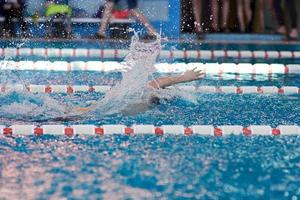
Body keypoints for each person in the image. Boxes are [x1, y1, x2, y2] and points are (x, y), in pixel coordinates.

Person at [72, 69, 204, 115]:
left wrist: (183, 77)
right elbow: (160, 82)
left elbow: (160, 82)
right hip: (116, 108)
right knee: (89, 111)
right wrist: (184, 78)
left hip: (114, 104)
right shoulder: (144, 100)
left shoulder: (141, 94)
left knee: (89, 110)